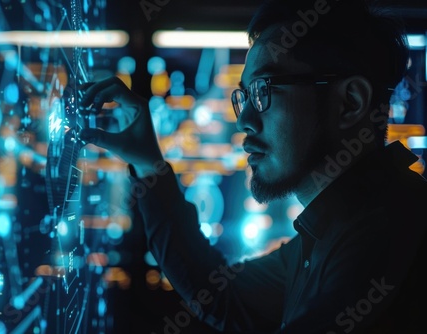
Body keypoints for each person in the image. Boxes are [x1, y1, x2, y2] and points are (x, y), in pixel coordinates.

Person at [78, 0, 427, 332]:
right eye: (243, 96)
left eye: (265, 90)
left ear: (350, 102)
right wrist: (148, 164)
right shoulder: (344, 224)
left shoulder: (382, 236)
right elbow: (222, 296)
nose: (244, 119)